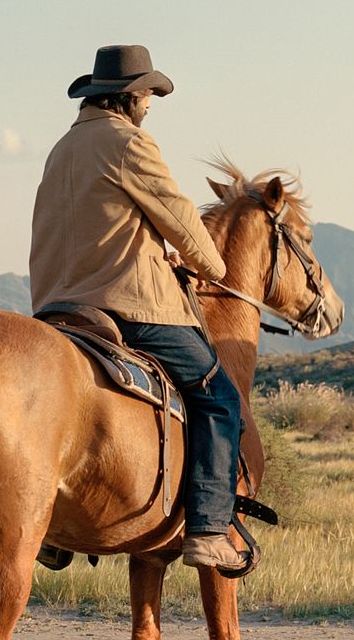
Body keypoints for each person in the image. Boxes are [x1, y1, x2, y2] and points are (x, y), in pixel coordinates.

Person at [30, 44, 250, 573]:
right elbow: (179, 216)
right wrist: (212, 266)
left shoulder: (62, 148)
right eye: (148, 94)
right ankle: (207, 530)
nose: (150, 104)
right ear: (129, 97)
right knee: (218, 396)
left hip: (56, 303)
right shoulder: (129, 143)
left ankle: (54, 530)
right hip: (127, 304)